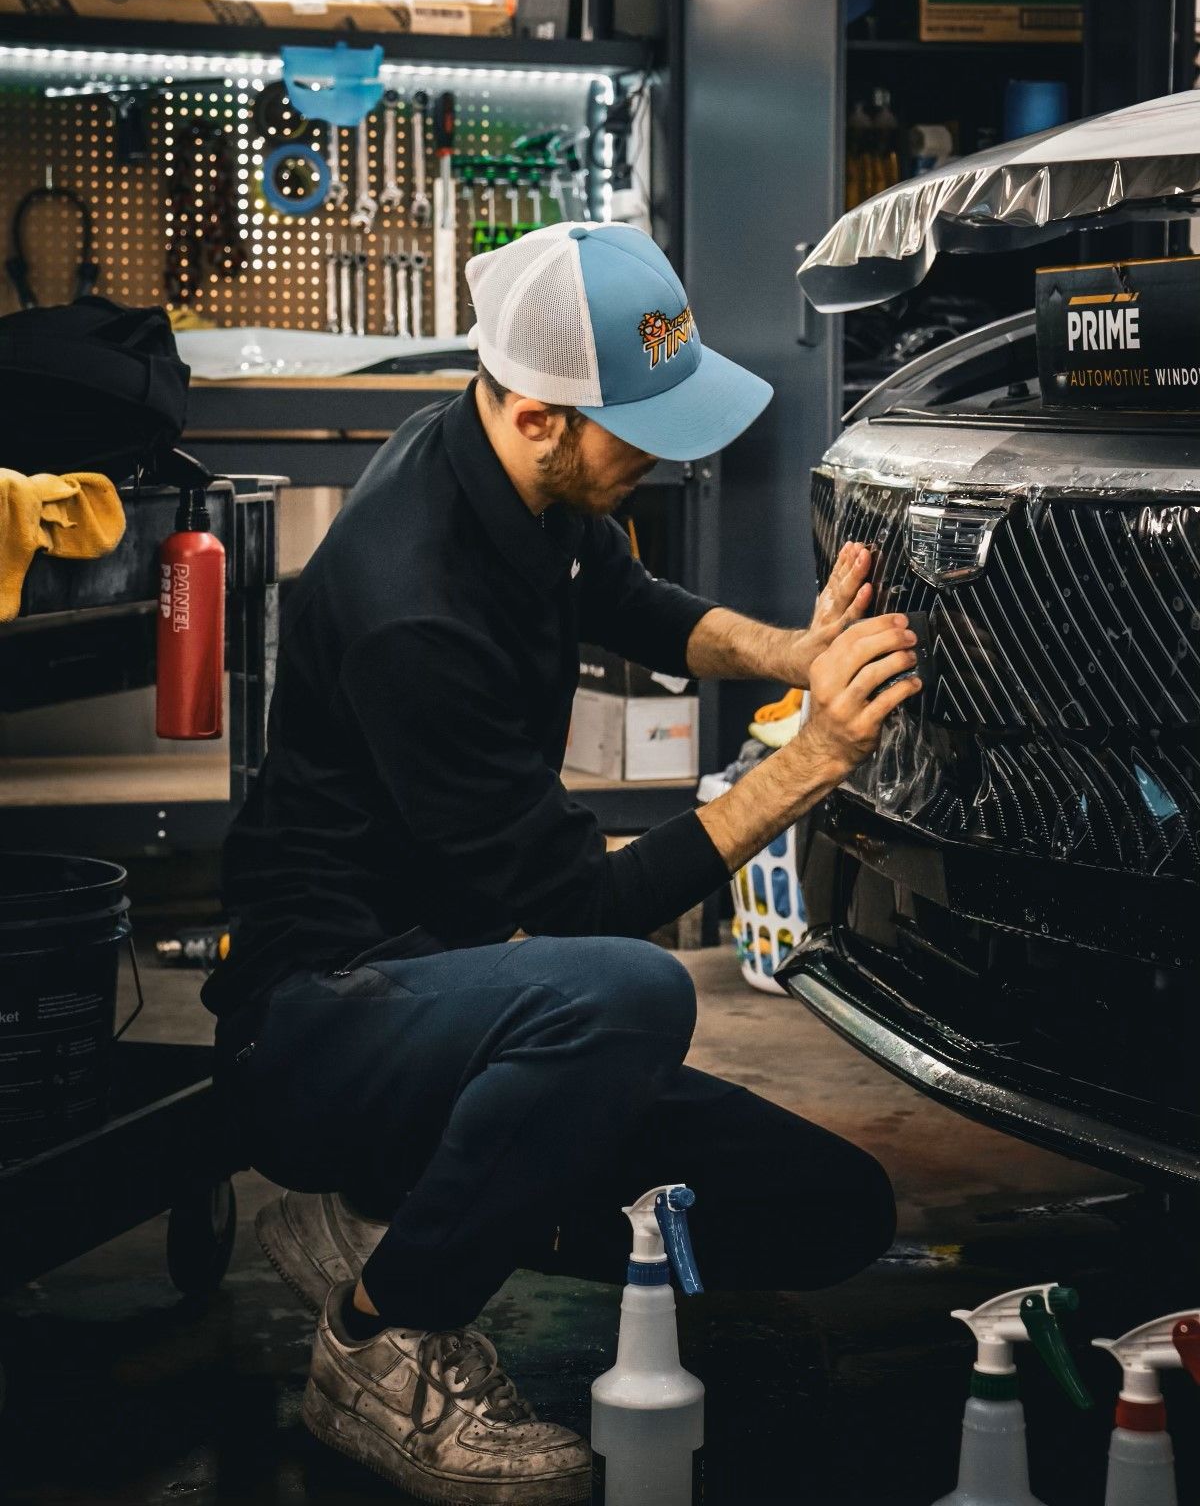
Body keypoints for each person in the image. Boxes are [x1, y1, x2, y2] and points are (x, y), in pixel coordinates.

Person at [203, 221, 921, 1505]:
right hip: (321, 1019)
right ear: (540, 416)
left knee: (831, 1210)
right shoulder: (409, 599)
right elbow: (576, 913)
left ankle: (382, 1212)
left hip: (466, 998)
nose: (663, 451)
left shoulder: (513, 476)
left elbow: (629, 603)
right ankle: (380, 1336)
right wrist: (807, 766)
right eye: (638, 425)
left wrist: (796, 657)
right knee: (629, 997)